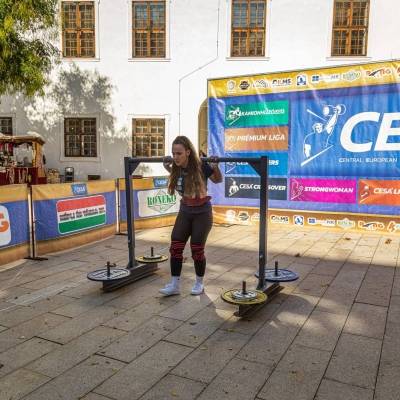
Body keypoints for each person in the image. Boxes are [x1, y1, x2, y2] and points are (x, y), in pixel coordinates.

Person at [160, 136, 222, 296]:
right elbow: (181, 179)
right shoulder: (176, 168)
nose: (175, 157)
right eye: (173, 153)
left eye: (179, 153)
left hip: (202, 213)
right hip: (185, 211)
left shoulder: (201, 165)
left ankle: (199, 283)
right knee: (175, 247)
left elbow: (217, 180)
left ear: (188, 152)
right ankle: (174, 285)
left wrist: (215, 167)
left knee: (197, 249)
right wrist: (167, 168)